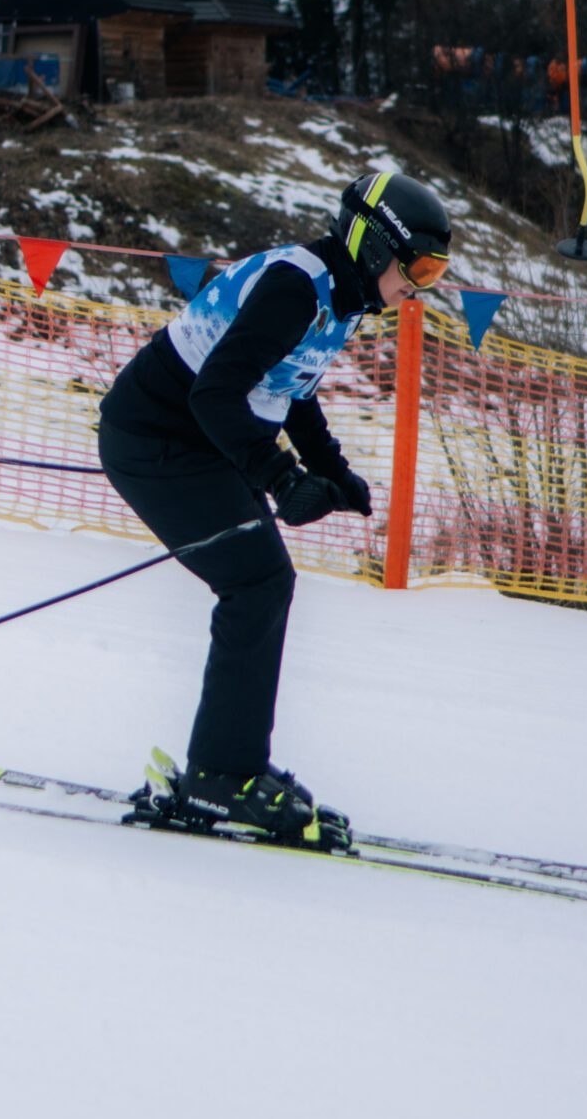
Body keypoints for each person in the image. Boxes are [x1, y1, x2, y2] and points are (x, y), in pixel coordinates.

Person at [98, 169, 453, 850]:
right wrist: (281, 478)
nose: (421, 286)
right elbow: (214, 394)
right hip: (155, 438)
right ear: (376, 247)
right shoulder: (296, 287)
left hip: (200, 440)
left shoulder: (338, 294)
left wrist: (331, 470)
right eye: (420, 268)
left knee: (261, 582)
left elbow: (291, 388)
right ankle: (222, 774)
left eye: (435, 274)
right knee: (257, 582)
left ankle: (228, 765)